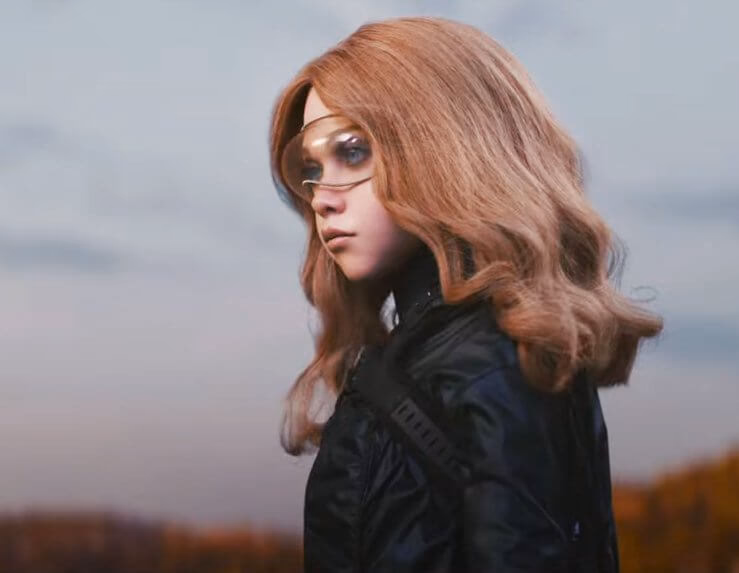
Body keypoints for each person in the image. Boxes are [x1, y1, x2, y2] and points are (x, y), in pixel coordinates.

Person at [268, 16, 663, 573]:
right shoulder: (430, 353)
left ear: (443, 144)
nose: (321, 196)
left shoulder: (495, 361)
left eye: (352, 152)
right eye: (311, 167)